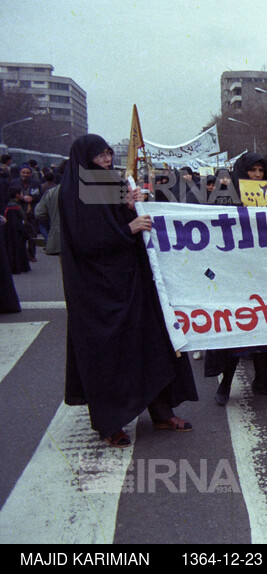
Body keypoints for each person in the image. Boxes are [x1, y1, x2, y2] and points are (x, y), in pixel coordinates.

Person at [60, 134, 197, 448]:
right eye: (100, 156)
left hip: (131, 281)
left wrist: (129, 206)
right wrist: (128, 228)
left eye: (109, 154)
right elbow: (86, 240)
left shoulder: (110, 184)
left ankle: (162, 411)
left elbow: (118, 220)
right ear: (85, 159)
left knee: (151, 343)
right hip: (98, 291)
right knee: (110, 355)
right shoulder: (73, 191)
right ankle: (112, 423)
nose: (107, 161)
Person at [204, 153, 267, 404]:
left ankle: (262, 380)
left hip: (266, 272)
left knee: (265, 329)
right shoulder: (225, 197)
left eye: (261, 171)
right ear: (242, 172)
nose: (258, 176)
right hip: (237, 274)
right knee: (236, 330)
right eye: (252, 171)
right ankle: (225, 385)